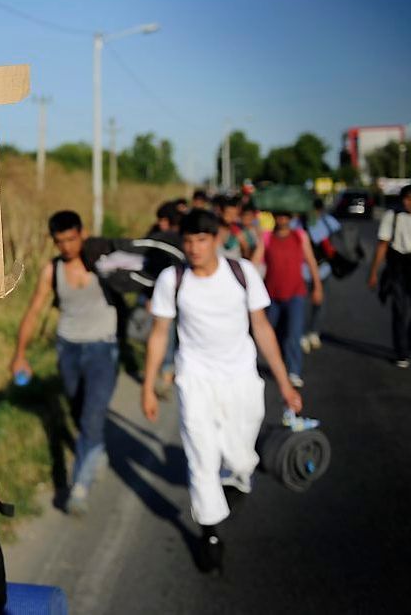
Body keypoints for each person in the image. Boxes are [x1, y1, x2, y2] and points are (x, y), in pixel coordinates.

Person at [140, 209, 304, 574]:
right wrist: (148, 387)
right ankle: (210, 533)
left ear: (216, 240)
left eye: (202, 240)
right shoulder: (173, 279)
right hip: (195, 379)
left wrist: (284, 381)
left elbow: (261, 328)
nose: (194, 248)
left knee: (241, 456)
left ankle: (241, 471)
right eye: (188, 241)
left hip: (241, 377)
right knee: (201, 456)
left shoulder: (241, 273)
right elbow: (160, 334)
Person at [11, 211, 119, 516]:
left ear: (82, 233)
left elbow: (136, 273)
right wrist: (20, 353)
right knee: (77, 408)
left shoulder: (102, 260)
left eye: (72, 239)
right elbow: (33, 312)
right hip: (68, 348)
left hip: (103, 348)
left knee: (92, 414)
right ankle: (96, 449)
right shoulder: (52, 270)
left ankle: (79, 487)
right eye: (60, 242)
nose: (67, 246)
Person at [254, 210, 323, 389]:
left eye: (285, 216)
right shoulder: (267, 237)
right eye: (279, 216)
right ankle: (277, 364)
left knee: (294, 333)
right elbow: (255, 263)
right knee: (272, 334)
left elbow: (311, 261)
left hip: (296, 293)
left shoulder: (300, 236)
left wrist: (317, 286)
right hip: (271, 294)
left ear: (291, 218)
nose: (282, 219)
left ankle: (293, 370)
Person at [368, 184, 411, 368]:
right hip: (398, 266)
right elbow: (382, 245)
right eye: (407, 198)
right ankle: (401, 351)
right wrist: (374, 272)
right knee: (400, 309)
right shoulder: (392, 216)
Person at [302, 198, 341, 352]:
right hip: (305, 271)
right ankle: (305, 333)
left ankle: (313, 332)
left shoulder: (326, 221)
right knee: (307, 304)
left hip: (321, 269)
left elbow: (339, 238)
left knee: (318, 303)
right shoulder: (301, 222)